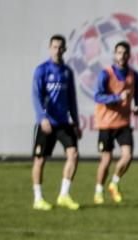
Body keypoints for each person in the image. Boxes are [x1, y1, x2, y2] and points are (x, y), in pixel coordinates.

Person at [31, 34, 82, 211]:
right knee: (40, 160)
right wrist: (42, 118)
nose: (57, 50)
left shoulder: (67, 72)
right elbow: (36, 96)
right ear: (49, 48)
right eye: (54, 47)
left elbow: (71, 99)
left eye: (60, 47)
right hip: (46, 123)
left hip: (63, 123)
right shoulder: (42, 70)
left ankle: (64, 195)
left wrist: (76, 121)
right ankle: (38, 198)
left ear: (65, 49)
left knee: (73, 154)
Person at [93, 41, 138, 205]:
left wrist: (137, 106)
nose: (122, 56)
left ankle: (114, 183)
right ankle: (98, 190)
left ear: (129, 55)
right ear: (115, 55)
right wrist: (116, 98)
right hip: (106, 123)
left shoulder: (134, 75)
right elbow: (98, 96)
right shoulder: (105, 74)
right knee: (106, 160)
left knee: (127, 156)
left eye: (124, 53)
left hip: (123, 123)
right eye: (119, 52)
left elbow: (137, 93)